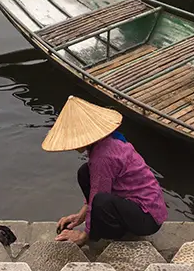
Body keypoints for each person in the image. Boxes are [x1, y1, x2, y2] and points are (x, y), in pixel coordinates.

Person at [45, 96, 167, 244]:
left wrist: (85, 235)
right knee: (84, 172)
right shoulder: (106, 141)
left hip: (147, 216)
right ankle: (116, 225)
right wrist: (81, 215)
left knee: (101, 201)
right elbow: (96, 184)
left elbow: (98, 194)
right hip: (134, 203)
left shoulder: (102, 157)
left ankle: (109, 233)